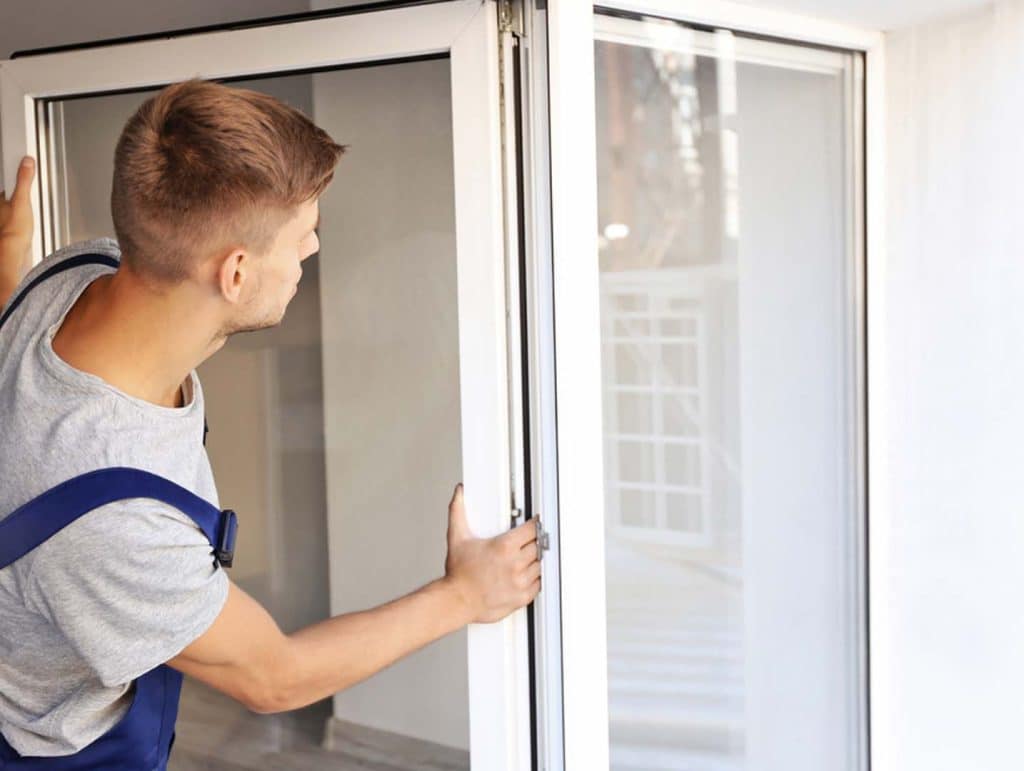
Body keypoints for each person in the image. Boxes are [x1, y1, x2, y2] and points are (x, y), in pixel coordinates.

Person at [0, 78, 540, 767]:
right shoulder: (114, 522)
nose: (311, 250)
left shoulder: (75, 274)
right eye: (303, 234)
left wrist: (8, 273)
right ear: (235, 272)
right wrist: (464, 595)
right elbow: (274, 676)